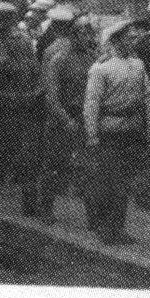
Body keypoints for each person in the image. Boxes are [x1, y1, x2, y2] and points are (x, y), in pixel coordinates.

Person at [83, 18, 149, 245]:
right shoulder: (100, 68)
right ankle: (105, 226)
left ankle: (117, 227)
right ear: (117, 40)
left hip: (132, 131)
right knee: (110, 182)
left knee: (124, 184)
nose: (133, 40)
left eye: (133, 37)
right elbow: (92, 104)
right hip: (110, 132)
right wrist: (92, 136)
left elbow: (146, 95)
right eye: (128, 37)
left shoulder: (138, 65)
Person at [0, 2, 45, 215]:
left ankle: (29, 206)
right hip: (2, 114)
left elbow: (39, 81)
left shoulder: (29, 61)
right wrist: (12, 97)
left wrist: (34, 94)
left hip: (24, 113)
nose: (20, 45)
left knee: (27, 158)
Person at [38, 12, 96, 225]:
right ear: (73, 35)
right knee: (54, 166)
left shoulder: (92, 58)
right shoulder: (58, 60)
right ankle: (45, 208)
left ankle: (93, 217)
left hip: (84, 118)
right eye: (83, 33)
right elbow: (51, 97)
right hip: (61, 119)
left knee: (89, 169)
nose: (87, 37)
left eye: (89, 33)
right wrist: (65, 120)